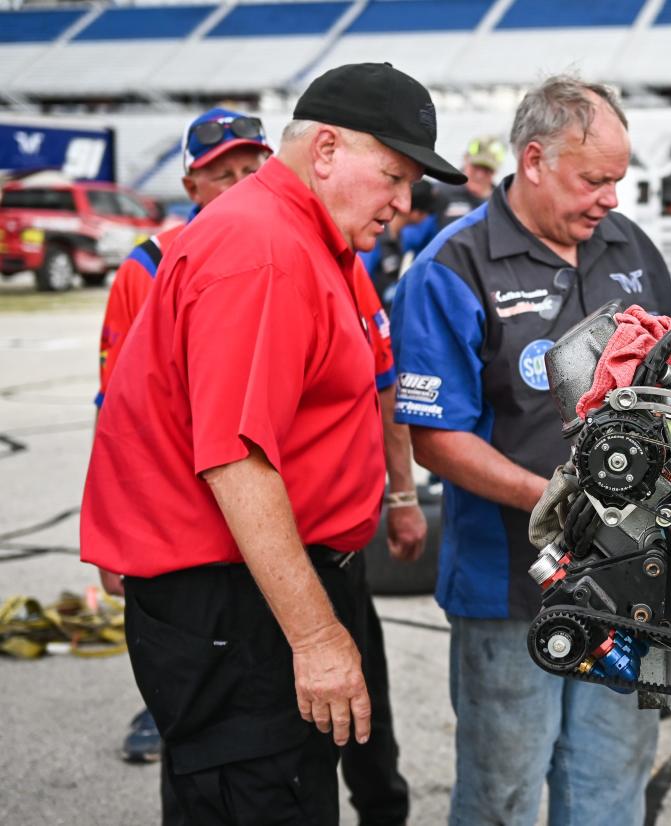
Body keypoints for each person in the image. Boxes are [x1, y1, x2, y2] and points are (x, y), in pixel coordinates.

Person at [80, 63, 463, 823]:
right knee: (261, 797)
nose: (403, 203)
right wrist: (317, 637)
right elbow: (235, 456)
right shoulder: (262, 249)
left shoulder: (304, 235)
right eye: (392, 175)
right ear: (325, 150)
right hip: (232, 605)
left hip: (261, 591)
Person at [390, 75, 671, 826]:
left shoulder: (634, 248)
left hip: (630, 586)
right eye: (594, 180)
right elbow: (437, 439)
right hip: (508, 588)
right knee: (503, 794)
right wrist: (557, 501)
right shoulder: (454, 267)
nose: (612, 197)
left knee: (612, 788)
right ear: (535, 158)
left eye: (618, 179)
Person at [96, 107, 273, 769]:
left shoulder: (290, 252)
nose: (239, 183)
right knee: (190, 684)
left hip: (265, 508)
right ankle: (160, 709)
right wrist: (111, 529)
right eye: (219, 174)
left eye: (251, 170)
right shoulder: (145, 269)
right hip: (179, 517)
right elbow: (113, 410)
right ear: (190, 187)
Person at [359, 179, 438, 310]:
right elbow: (357, 281)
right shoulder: (375, 239)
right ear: (416, 213)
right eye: (427, 213)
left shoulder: (402, 237)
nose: (427, 219)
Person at [432, 133, 504, 231]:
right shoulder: (440, 192)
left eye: (486, 169)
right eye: (475, 167)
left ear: (495, 171)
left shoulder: (501, 203)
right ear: (465, 161)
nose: (480, 175)